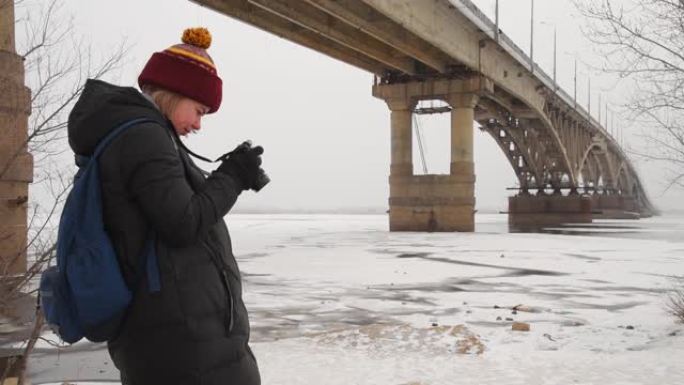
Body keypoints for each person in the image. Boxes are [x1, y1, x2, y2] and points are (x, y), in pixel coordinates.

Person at [67, 27, 261, 385]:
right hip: (181, 344)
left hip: (175, 337)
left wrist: (230, 174)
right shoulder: (144, 137)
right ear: (176, 93)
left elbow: (178, 213)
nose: (198, 125)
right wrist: (232, 177)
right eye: (199, 110)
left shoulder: (141, 135)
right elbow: (184, 221)